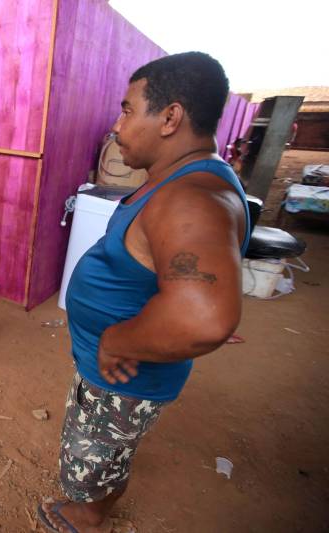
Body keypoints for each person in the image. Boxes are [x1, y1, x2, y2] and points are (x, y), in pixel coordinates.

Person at [37, 52, 251, 533]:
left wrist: (118, 342)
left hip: (123, 378)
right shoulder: (181, 183)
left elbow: (205, 318)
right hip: (116, 374)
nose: (117, 125)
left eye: (128, 109)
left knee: (94, 462)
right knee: (106, 454)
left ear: (171, 117)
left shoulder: (189, 198)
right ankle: (91, 504)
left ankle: (86, 517)